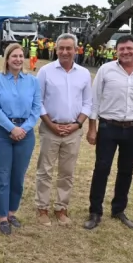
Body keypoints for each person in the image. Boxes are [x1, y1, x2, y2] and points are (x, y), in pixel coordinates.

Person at [84, 35, 133, 231]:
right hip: (108, 127)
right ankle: (95, 212)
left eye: (129, 48)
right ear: (116, 51)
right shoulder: (105, 70)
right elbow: (95, 100)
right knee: (102, 169)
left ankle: (118, 210)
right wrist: (92, 128)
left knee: (126, 171)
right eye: (122, 49)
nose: (126, 52)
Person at [34, 33, 92, 227]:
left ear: (76, 50)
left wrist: (77, 124)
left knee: (67, 172)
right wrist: (51, 124)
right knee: (45, 170)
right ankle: (42, 208)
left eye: (69, 48)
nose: (65, 52)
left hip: (73, 131)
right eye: (61, 48)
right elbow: (38, 101)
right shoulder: (45, 71)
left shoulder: (84, 74)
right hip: (50, 128)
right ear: (55, 49)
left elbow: (87, 103)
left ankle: (61, 208)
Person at [0, 43, 41, 235]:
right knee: (2, 175)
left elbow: (36, 109)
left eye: (20, 56)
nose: (18, 59)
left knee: (18, 176)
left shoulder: (33, 81)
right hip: (2, 132)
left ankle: (11, 212)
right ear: (7, 59)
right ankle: (2, 216)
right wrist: (12, 128)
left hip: (25, 134)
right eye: (14, 56)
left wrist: (23, 129)